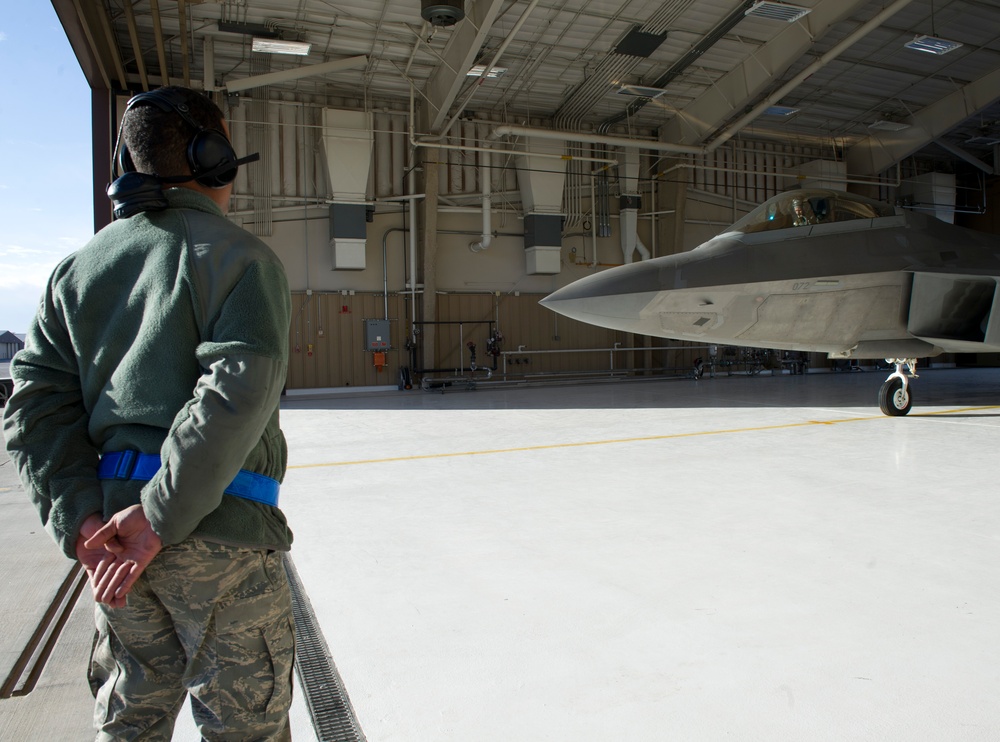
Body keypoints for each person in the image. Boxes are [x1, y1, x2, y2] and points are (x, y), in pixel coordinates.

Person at [2, 86, 294, 741]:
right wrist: (160, 514)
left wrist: (79, 518)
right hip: (217, 539)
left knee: (129, 723)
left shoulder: (72, 273)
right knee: (245, 728)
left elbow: (31, 411)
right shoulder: (240, 259)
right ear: (214, 158)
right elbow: (236, 390)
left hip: (111, 547)